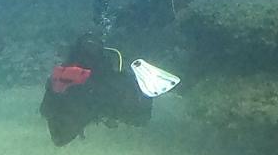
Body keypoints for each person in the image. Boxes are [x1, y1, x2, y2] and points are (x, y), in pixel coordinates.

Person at [40, 31, 178, 146]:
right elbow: (137, 116)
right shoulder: (105, 82)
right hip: (91, 101)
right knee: (136, 114)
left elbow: (47, 110)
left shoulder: (60, 79)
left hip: (78, 105)